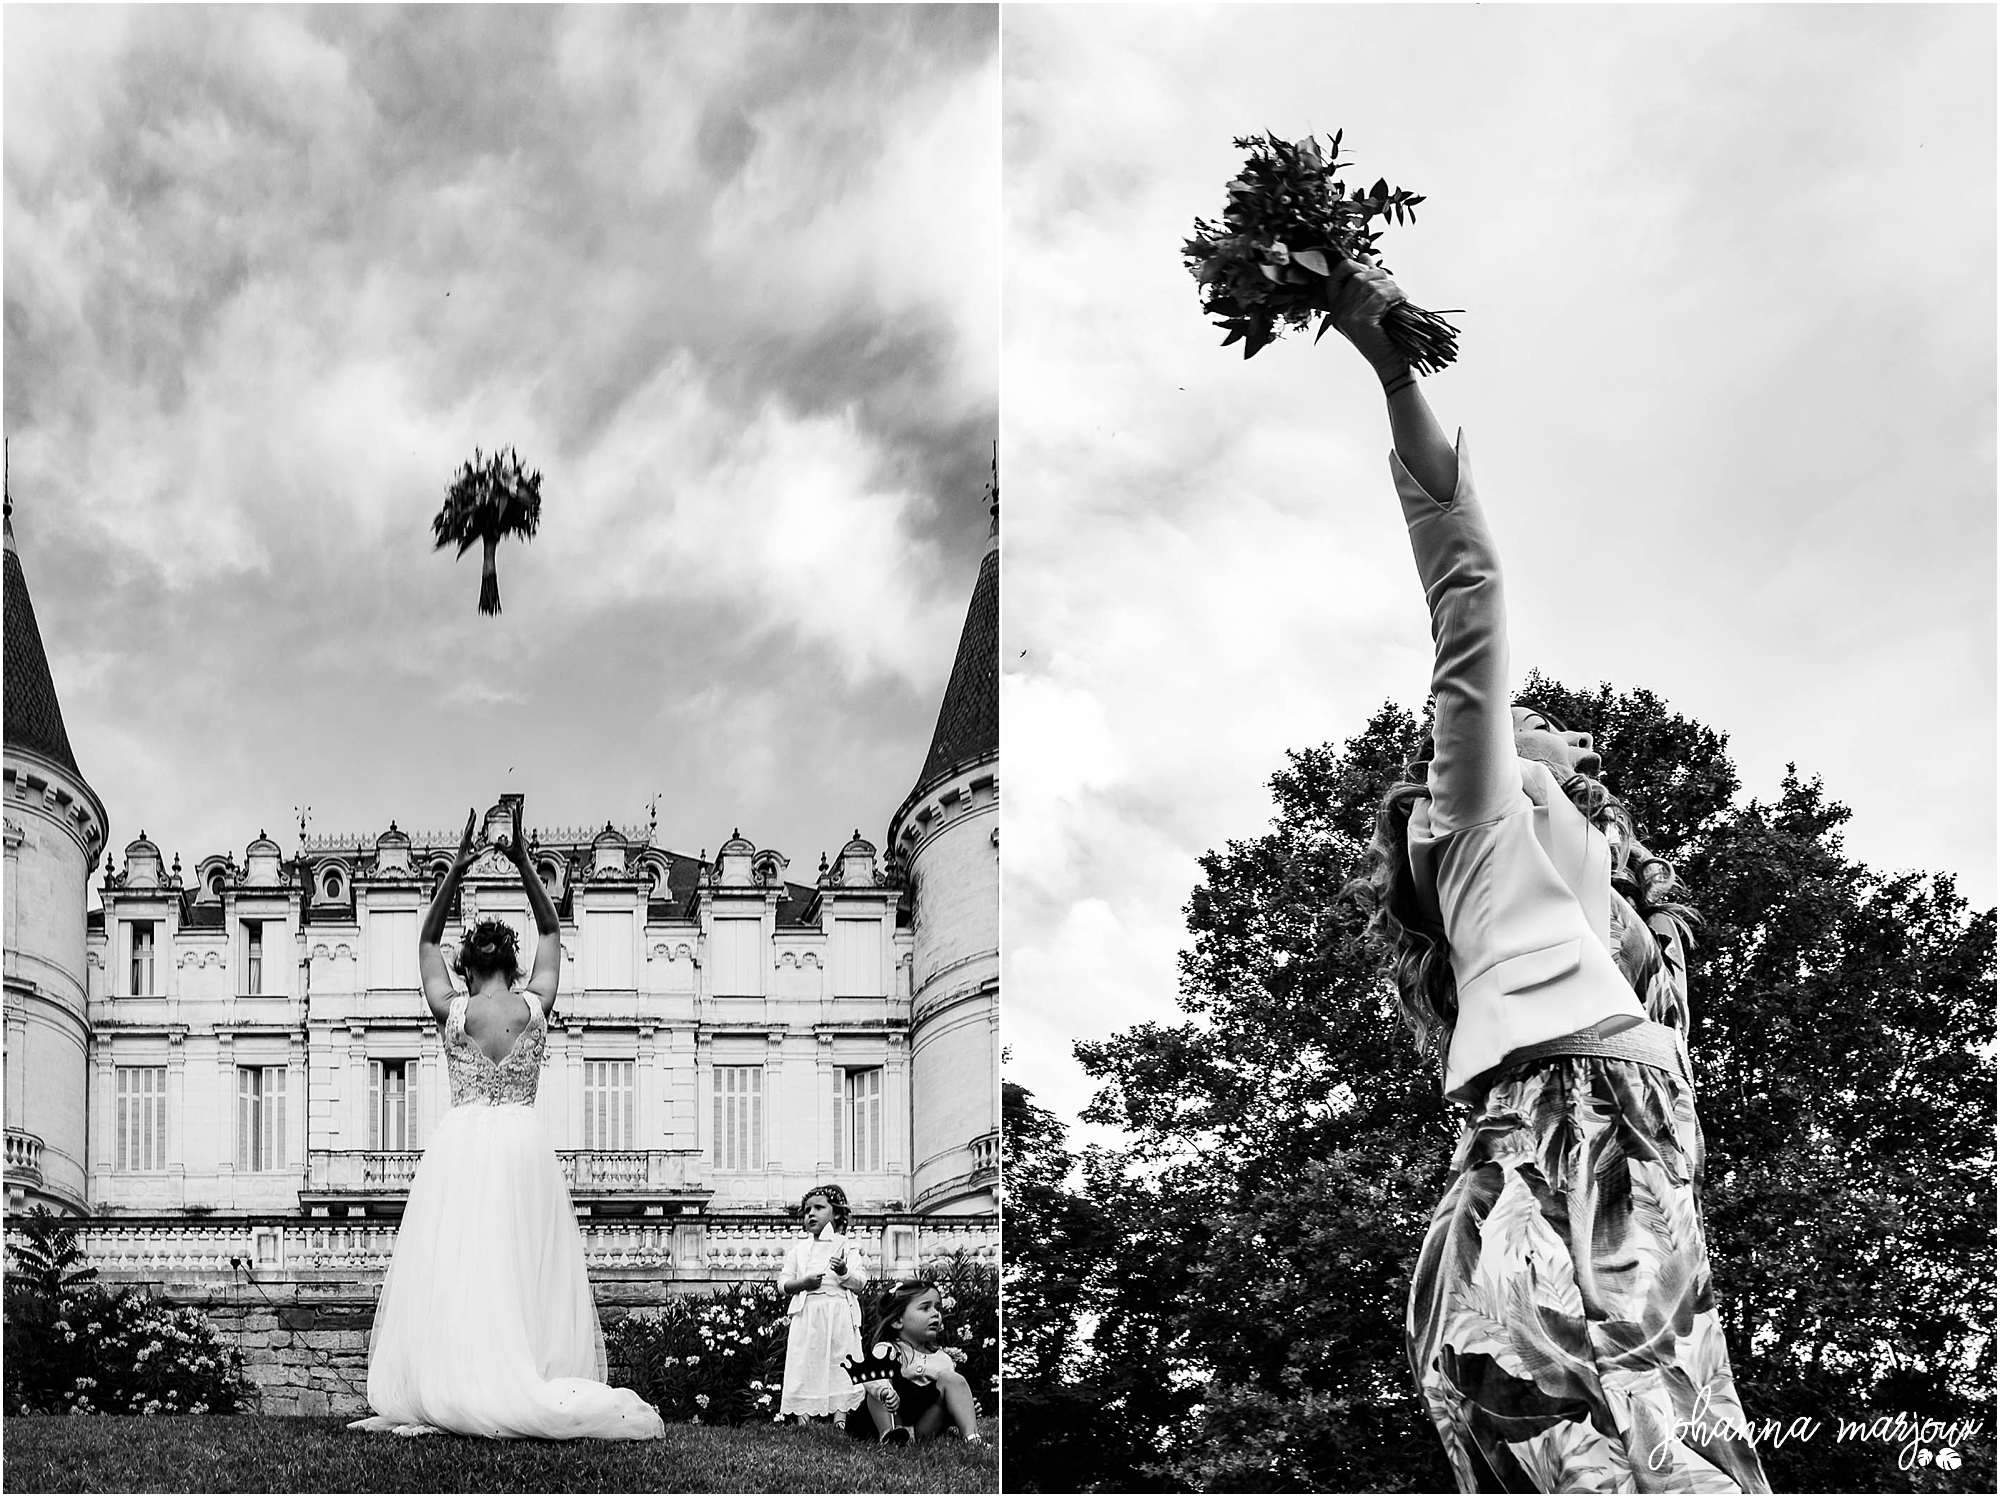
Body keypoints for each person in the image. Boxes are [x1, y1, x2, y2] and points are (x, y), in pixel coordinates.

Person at [1330, 256, 1770, 1492]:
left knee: (1652, 1396)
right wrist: (1391, 368)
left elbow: (1646, 968)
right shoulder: (1476, 814)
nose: (1551, 725)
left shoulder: (1594, 878)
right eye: (1533, 720)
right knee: (1490, 1380)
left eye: (1561, 732)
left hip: (1610, 1106)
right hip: (1520, 1115)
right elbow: (1466, 591)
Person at [348, 803, 664, 1440]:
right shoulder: (534, 1003)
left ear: (467, 964)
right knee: (523, 1266)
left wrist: (457, 871)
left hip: (461, 1142)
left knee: (461, 1265)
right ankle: (521, 1371)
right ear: (512, 963)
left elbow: (424, 940)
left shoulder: (451, 1009)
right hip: (521, 1140)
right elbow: (552, 934)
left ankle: (459, 1383)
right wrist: (521, 859)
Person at [845, 1279, 982, 1446]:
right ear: (897, 1321)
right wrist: (883, 1392)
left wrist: (960, 1408)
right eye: (925, 1308)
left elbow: (941, 1398)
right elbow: (869, 1377)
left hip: (922, 1424)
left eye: (937, 1308)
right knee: (880, 1389)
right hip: (886, 1415)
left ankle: (972, 1437)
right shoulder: (889, 1349)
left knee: (954, 1381)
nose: (935, 1314)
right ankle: (889, 1434)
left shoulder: (943, 1360)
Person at [777, 1183, 868, 1421]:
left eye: (818, 1208)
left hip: (838, 1312)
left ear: (836, 1213)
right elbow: (783, 1283)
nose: (811, 1214)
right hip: (808, 1313)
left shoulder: (847, 1246)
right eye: (807, 1210)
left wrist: (844, 1272)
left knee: (840, 1362)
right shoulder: (799, 1250)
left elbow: (860, 1282)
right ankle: (803, 1419)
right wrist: (804, 1283)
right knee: (805, 1363)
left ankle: (840, 1419)